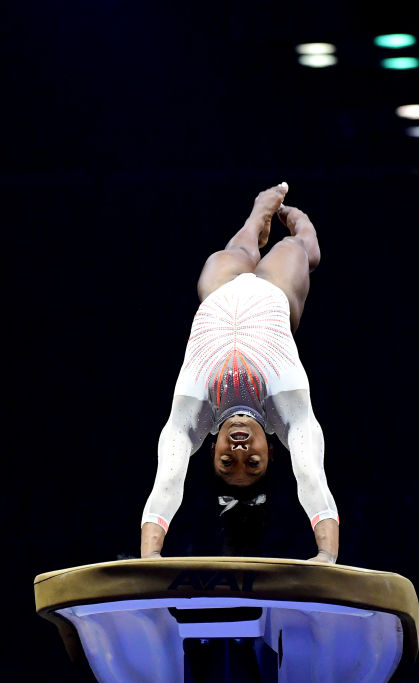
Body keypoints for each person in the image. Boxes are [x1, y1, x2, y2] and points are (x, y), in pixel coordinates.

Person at [140, 182, 340, 563]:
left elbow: (166, 483)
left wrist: (151, 558)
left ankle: (258, 216)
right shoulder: (286, 406)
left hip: (218, 290)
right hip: (277, 292)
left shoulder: (193, 412)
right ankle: (298, 225)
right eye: (253, 462)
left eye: (226, 462)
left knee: (240, 248)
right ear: (272, 449)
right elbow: (312, 476)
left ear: (210, 447)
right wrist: (326, 555)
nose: (239, 450)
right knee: (296, 248)